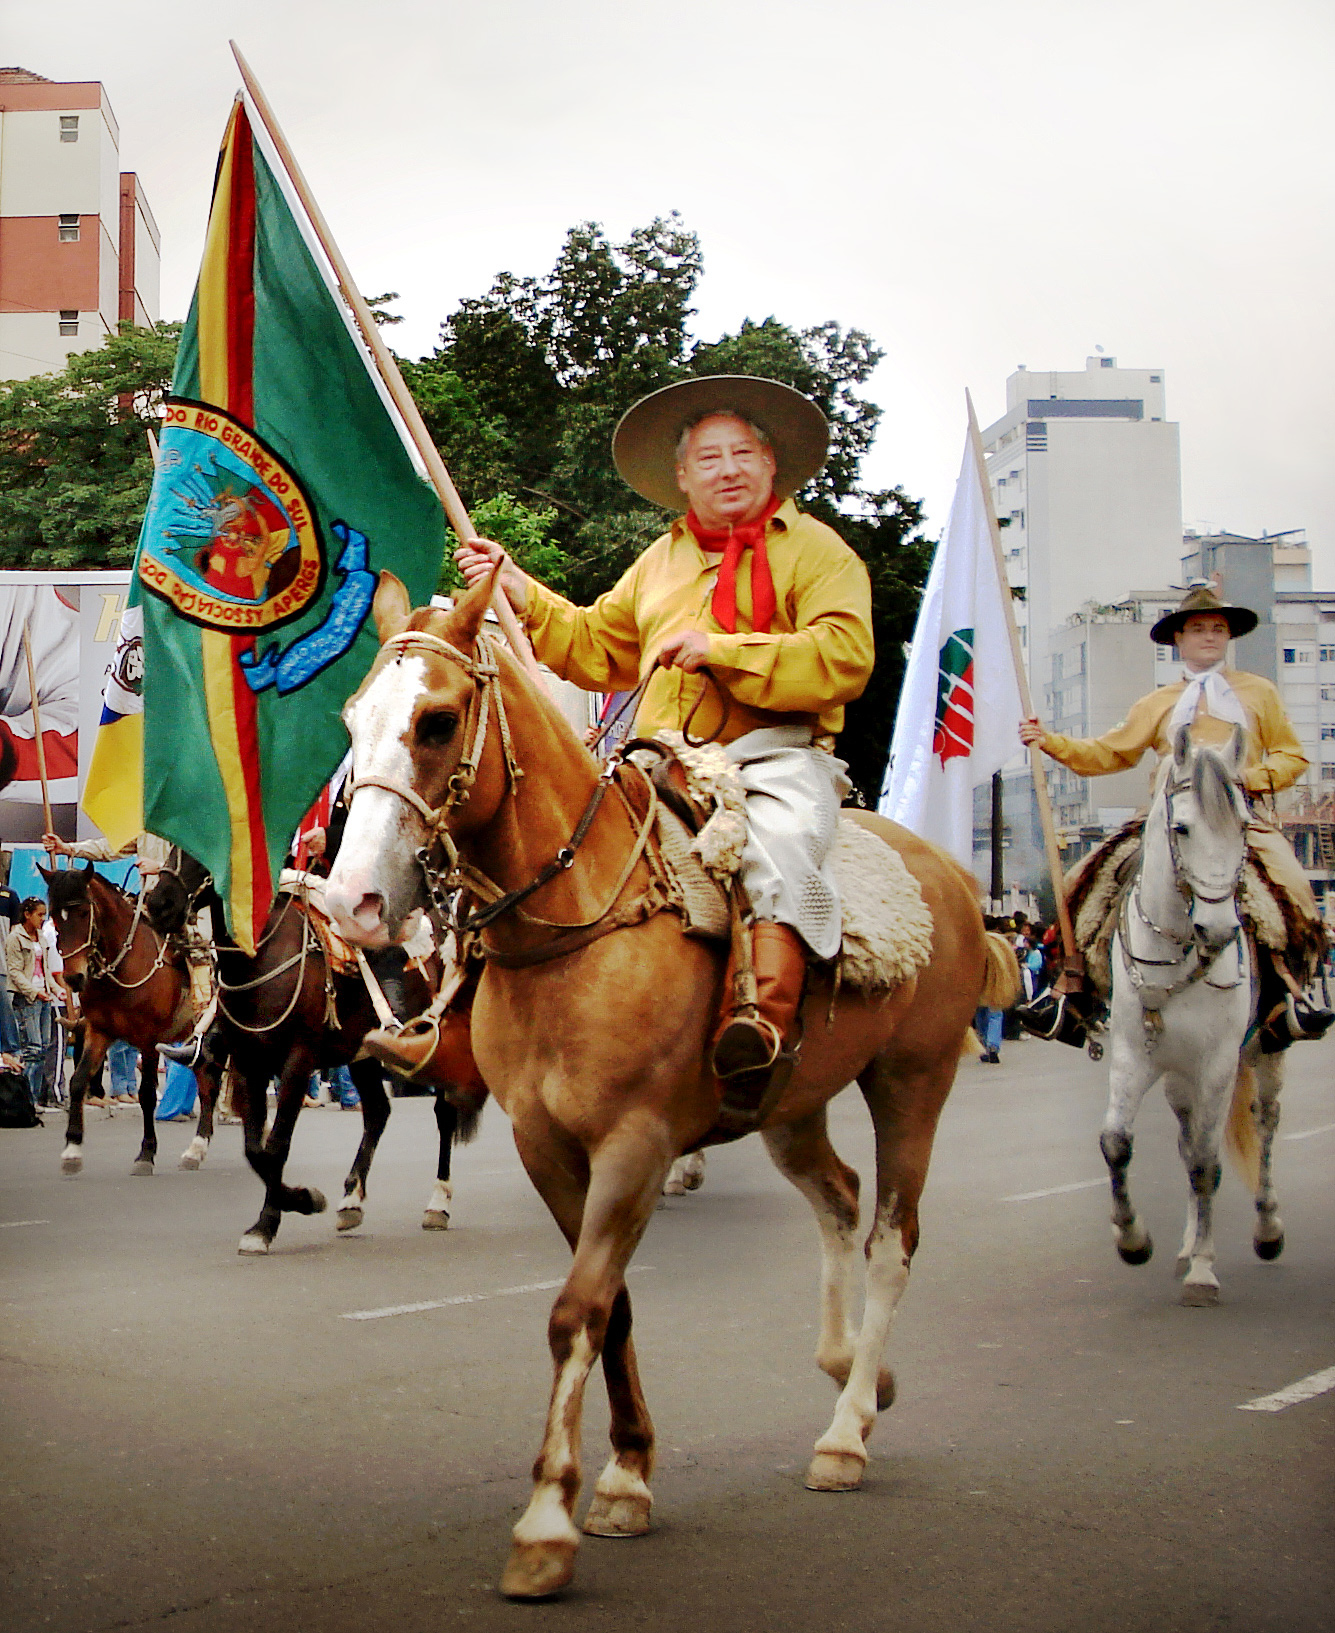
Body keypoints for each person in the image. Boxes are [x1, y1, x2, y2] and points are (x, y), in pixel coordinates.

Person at [452, 375, 875, 1129]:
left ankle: (761, 1024)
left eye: (742, 452)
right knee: (536, 844)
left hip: (770, 754)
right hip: (658, 758)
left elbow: (846, 655)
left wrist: (722, 648)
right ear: (682, 477)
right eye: (707, 457)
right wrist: (519, 587)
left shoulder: (818, 550)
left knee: (775, 848)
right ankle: (455, 1023)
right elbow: (592, 645)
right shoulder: (659, 560)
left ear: (770, 462)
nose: (727, 468)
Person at [1019, 581, 1332, 1044]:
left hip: (1241, 819)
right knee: (1080, 881)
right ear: (1178, 640)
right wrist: (1050, 742)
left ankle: (1288, 996)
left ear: (1229, 637)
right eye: (1199, 629)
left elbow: (1293, 755)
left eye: (1218, 629)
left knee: (1293, 886)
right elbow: (1109, 753)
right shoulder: (1158, 702)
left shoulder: (1259, 693)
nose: (1210, 636)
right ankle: (1072, 993)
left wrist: (1252, 779)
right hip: (1168, 823)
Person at [6, 896, 54, 1107]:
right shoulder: (15, 937)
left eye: (44, 915)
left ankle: (34, 1096)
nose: (42, 919)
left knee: (43, 1047)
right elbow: (14, 972)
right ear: (27, 914)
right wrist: (34, 992)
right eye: (39, 915)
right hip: (27, 997)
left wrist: (55, 989)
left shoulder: (41, 937)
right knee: (32, 1049)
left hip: (43, 994)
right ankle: (28, 1099)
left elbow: (45, 967)